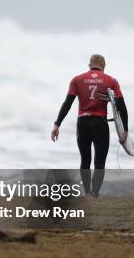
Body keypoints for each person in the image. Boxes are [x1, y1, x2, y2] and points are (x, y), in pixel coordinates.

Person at [50, 54, 129, 196]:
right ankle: (95, 194)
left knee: (85, 160)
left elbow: (67, 103)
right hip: (100, 124)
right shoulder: (111, 81)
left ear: (89, 65)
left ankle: (87, 192)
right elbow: (122, 106)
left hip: (83, 123)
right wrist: (125, 129)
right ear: (103, 65)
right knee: (100, 162)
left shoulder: (77, 80)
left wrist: (57, 124)